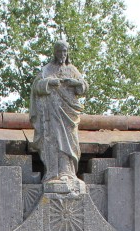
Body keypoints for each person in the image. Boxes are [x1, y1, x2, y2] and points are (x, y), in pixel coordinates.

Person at [30, 39, 88, 185]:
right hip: (53, 113)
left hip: (69, 113)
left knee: (70, 140)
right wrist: (49, 83)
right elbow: (36, 86)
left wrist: (75, 83)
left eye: (64, 51)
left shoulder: (72, 70)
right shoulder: (47, 70)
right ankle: (53, 172)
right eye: (59, 51)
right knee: (54, 139)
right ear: (54, 52)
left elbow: (84, 87)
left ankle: (68, 173)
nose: (62, 54)